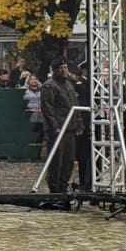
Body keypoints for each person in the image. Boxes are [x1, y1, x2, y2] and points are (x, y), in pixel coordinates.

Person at [42, 63, 87, 192]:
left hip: (70, 128)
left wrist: (79, 123)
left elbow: (75, 104)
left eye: (65, 67)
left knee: (69, 160)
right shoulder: (49, 85)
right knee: (56, 160)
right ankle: (54, 188)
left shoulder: (69, 84)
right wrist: (54, 127)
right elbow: (48, 108)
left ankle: (63, 185)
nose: (64, 70)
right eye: (60, 68)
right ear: (54, 70)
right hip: (58, 129)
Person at [24, 75, 44, 146]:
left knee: (40, 133)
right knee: (32, 132)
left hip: (41, 114)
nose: (34, 80)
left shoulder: (42, 90)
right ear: (29, 81)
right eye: (32, 79)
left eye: (35, 79)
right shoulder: (25, 91)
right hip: (30, 114)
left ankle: (38, 149)